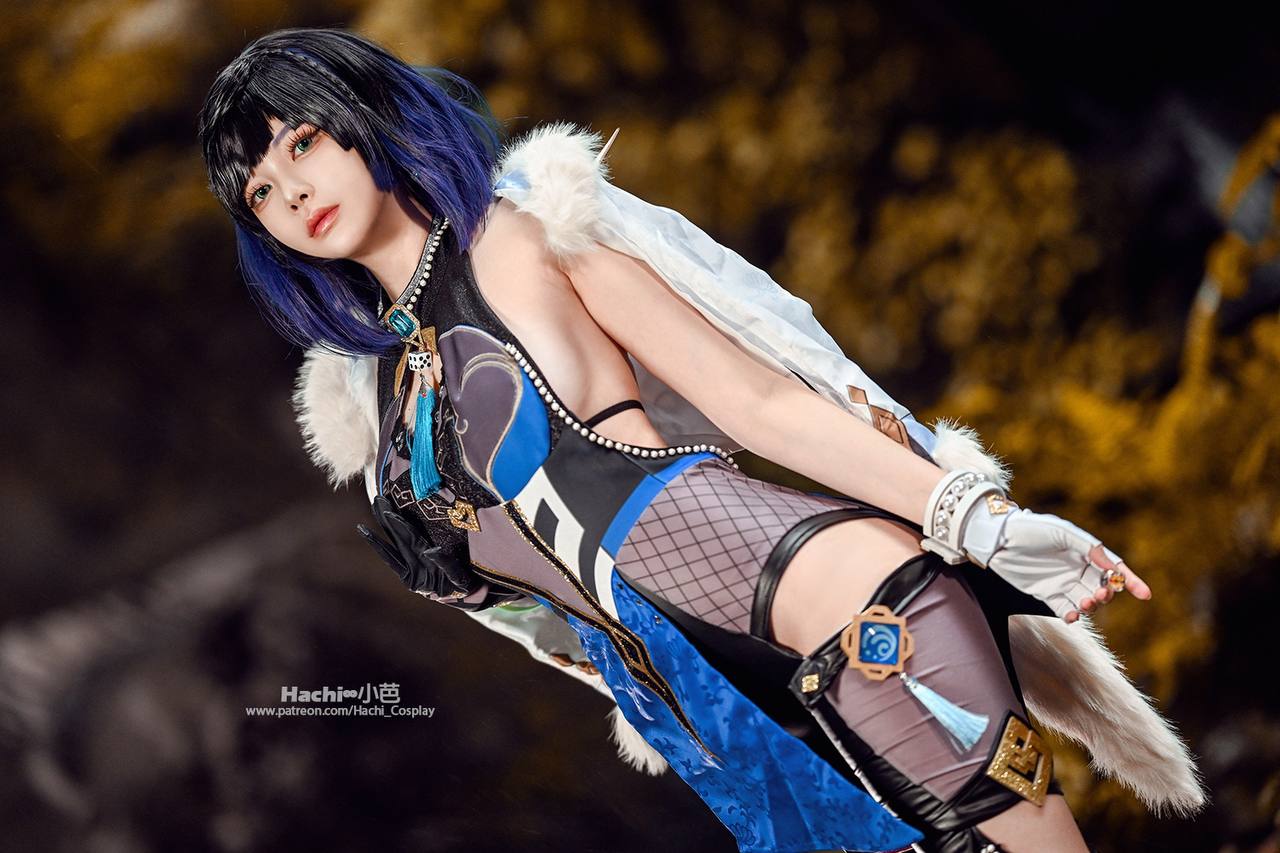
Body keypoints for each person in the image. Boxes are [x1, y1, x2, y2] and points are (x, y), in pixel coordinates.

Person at [198, 27, 1204, 853]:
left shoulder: (527, 234)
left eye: (301, 142)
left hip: (855, 614)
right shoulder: (376, 417)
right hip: (730, 732)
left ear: (364, 113)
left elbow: (758, 398)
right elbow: (542, 615)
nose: (291, 190)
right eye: (260, 191)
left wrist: (976, 520)